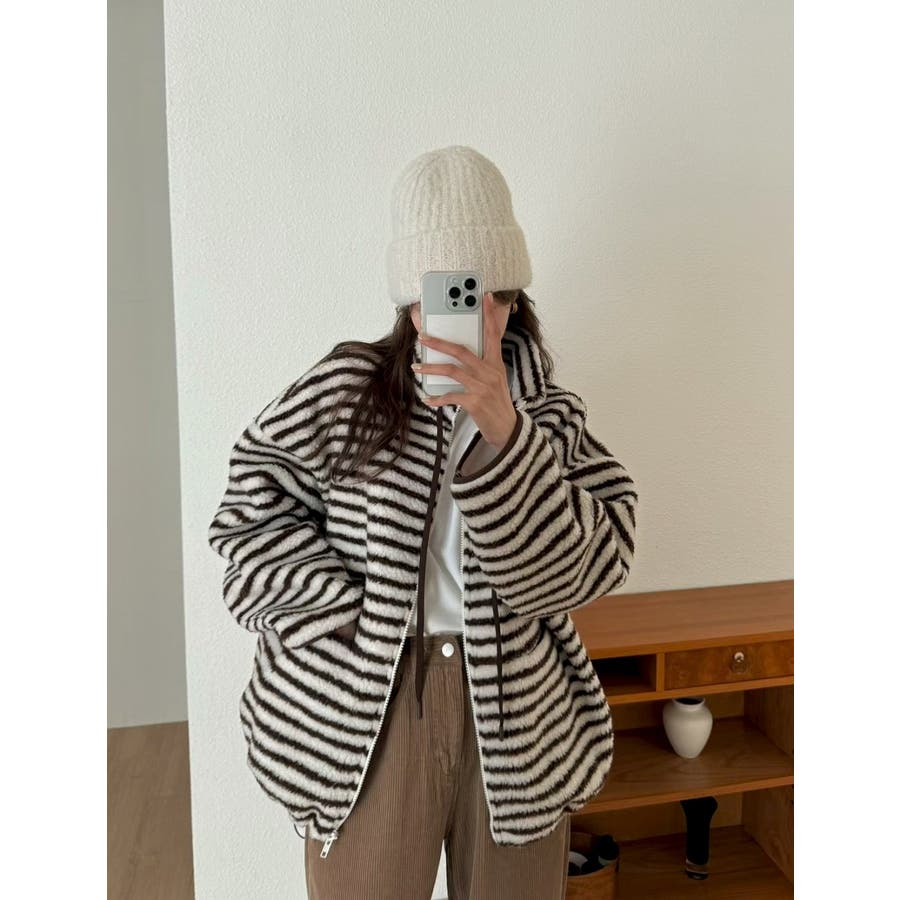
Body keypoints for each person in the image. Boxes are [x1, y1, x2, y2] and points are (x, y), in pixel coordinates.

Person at [207, 145, 639, 899]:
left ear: (515, 298)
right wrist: (341, 614)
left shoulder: (546, 416)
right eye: (450, 294)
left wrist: (507, 434)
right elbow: (248, 516)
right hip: (372, 702)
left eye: (493, 293)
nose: (479, 315)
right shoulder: (346, 394)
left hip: (516, 712)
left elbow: (591, 564)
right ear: (412, 303)